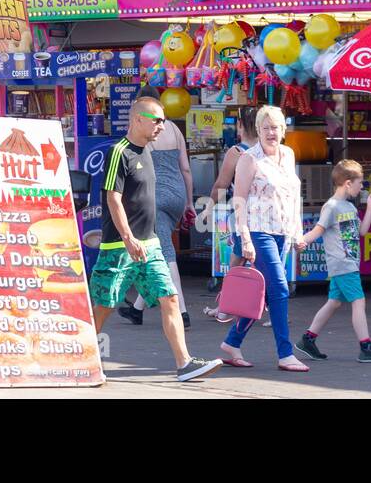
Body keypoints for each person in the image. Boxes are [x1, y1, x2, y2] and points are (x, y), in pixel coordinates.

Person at [89, 95, 222, 382]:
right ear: (138, 119)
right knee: (105, 305)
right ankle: (84, 354)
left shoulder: (147, 151)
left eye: (163, 120)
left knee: (170, 297)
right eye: (157, 120)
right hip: (119, 247)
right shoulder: (119, 152)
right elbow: (113, 199)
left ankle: (184, 363)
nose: (162, 126)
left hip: (150, 244)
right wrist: (127, 238)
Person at [219, 105, 307, 372]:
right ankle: (285, 353)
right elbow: (240, 200)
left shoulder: (288, 155)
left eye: (276, 127)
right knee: (279, 288)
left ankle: (232, 344)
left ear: (283, 130)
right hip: (258, 231)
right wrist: (244, 238)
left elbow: (293, 196)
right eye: (266, 127)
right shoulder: (250, 159)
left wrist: (297, 230)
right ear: (257, 130)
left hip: (282, 231)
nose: (272, 132)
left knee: (263, 292)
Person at [295, 160, 371, 363]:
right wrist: (300, 240)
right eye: (360, 183)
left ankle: (308, 340)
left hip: (347, 262)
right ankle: (366, 346)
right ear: (348, 183)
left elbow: (362, 232)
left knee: (334, 303)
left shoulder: (348, 206)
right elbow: (318, 230)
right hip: (343, 263)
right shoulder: (331, 207)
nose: (362, 187)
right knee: (358, 301)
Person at [119, 88, 194, 330]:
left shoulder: (144, 131)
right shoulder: (173, 129)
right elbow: (186, 168)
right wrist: (189, 201)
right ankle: (137, 310)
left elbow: (139, 168)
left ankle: (181, 311)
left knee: (166, 254)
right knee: (157, 250)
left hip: (156, 196)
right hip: (177, 195)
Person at [203, 106, 258, 323]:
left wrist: (208, 207)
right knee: (266, 264)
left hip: (244, 214)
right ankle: (268, 310)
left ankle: (225, 307)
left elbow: (221, 185)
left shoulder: (237, 152)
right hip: (268, 214)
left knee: (237, 262)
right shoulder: (270, 150)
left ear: (240, 126)